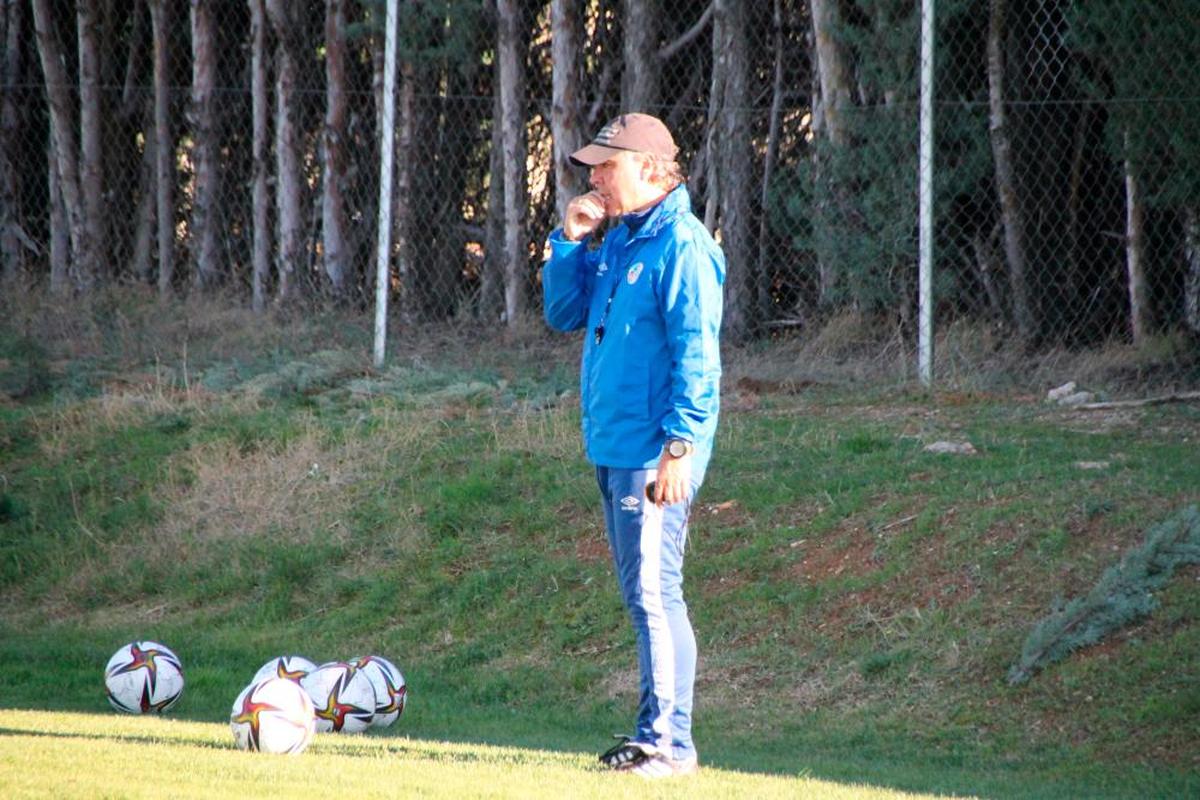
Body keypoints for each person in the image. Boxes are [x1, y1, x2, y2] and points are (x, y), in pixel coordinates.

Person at [542, 113, 725, 778]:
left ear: (650, 168)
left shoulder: (683, 246)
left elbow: (697, 358)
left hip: (652, 454)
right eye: (591, 166)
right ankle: (655, 736)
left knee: (655, 594)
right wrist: (569, 243)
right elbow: (563, 314)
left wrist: (681, 446)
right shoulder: (617, 241)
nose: (593, 178)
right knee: (643, 595)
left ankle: (669, 745)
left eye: (606, 166)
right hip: (614, 447)